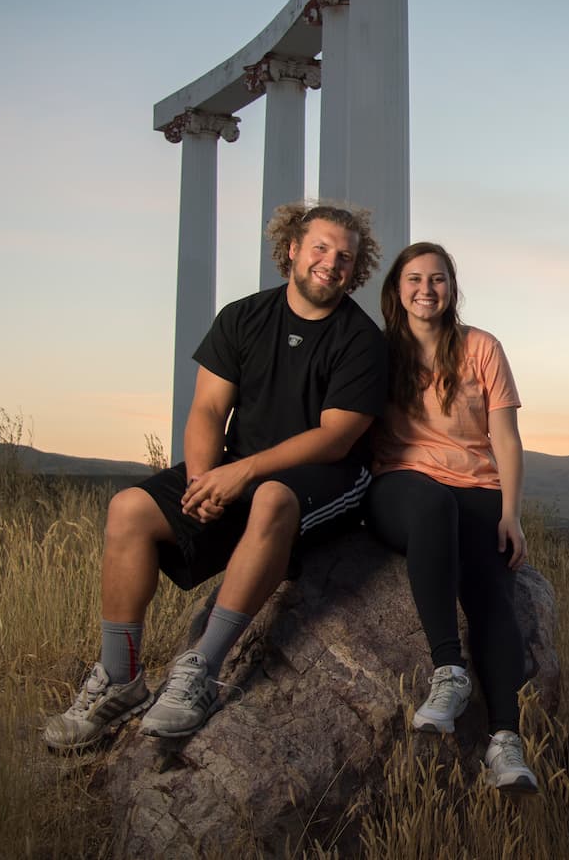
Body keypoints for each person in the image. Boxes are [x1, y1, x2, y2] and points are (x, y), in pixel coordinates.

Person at [43, 202, 388, 750]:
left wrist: (241, 474)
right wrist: (205, 479)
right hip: (235, 465)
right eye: (320, 248)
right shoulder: (242, 317)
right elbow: (207, 410)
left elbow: (335, 437)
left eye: (344, 256)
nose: (330, 263)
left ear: (356, 268)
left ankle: (200, 669)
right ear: (292, 249)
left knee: (273, 495)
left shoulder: (362, 341)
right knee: (128, 509)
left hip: (328, 477)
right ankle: (119, 677)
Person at [365, 242, 538, 795]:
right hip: (401, 484)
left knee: (494, 593)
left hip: (477, 487)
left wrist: (511, 513)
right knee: (433, 504)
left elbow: (505, 438)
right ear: (397, 289)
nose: (426, 290)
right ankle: (450, 671)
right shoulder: (377, 351)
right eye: (414, 279)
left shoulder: (481, 348)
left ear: (452, 289)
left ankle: (506, 743)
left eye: (438, 279)